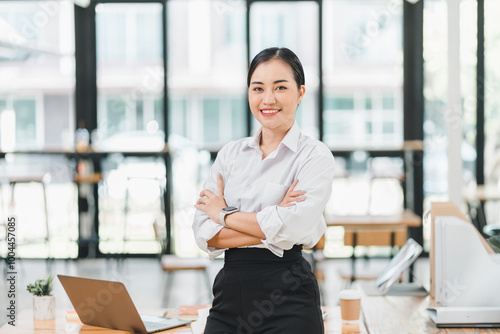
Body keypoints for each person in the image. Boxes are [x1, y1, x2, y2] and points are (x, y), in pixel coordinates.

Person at [193, 47, 335, 334]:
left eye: (280, 87)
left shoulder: (314, 156)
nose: (268, 99)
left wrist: (223, 213)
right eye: (258, 88)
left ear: (300, 92)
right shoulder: (230, 155)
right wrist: (273, 220)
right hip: (229, 294)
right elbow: (202, 232)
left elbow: (295, 228)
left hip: (289, 295)